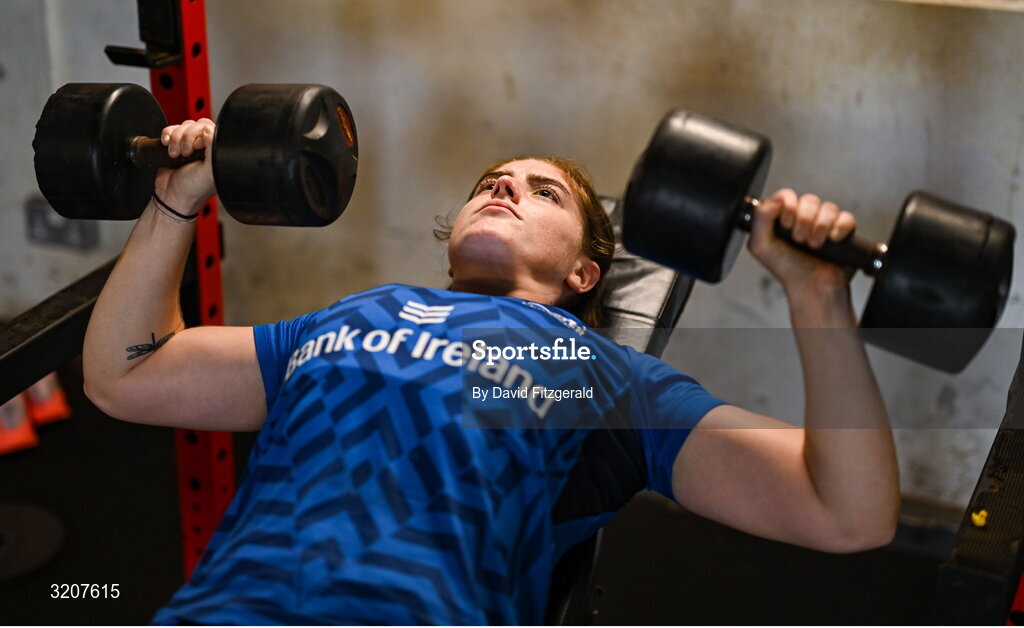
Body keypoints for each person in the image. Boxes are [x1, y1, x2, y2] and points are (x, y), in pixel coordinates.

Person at [82, 117, 899, 625]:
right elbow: (126, 373)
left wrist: (817, 293)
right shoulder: (348, 316)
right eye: (492, 183)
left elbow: (846, 512)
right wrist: (176, 194)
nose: (506, 188)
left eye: (543, 193)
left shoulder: (604, 377)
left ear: (585, 274)